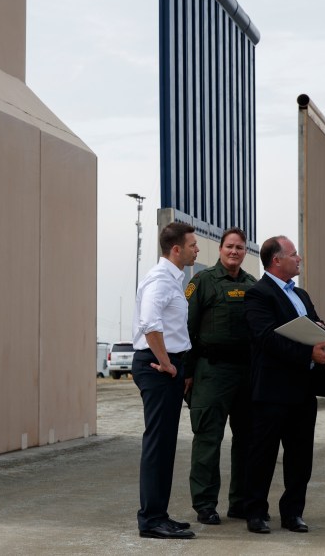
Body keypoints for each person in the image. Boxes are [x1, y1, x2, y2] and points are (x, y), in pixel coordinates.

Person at [241, 235, 325, 535]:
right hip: (272, 390)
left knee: (300, 456)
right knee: (262, 456)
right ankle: (256, 513)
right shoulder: (258, 294)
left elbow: (318, 327)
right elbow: (266, 337)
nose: (299, 259)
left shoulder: (302, 295)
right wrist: (309, 352)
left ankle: (293, 513)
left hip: (304, 389)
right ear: (276, 260)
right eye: (294, 254)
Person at [183, 227, 258, 525]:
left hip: (246, 374)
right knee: (208, 439)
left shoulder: (253, 285)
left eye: (239, 247)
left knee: (247, 440)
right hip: (210, 372)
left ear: (245, 252)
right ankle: (204, 504)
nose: (234, 252)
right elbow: (186, 329)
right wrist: (187, 372)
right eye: (229, 246)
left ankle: (240, 502)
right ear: (220, 249)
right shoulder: (201, 282)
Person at [131, 221, 199, 539]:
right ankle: (151, 520)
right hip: (158, 368)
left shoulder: (173, 279)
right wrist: (166, 363)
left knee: (165, 444)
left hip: (167, 367)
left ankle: (158, 514)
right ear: (176, 249)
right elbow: (149, 323)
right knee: (158, 444)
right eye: (192, 245)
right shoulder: (160, 280)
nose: (196, 249)